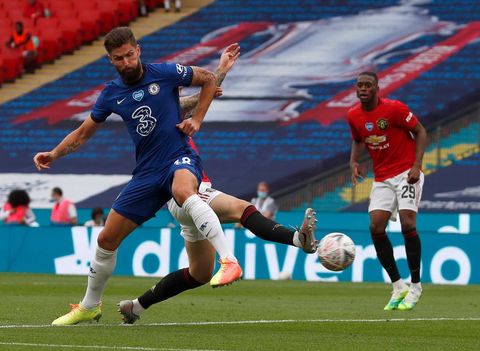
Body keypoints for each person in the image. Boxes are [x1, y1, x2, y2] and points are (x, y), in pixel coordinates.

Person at [33, 27, 241, 326]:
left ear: (138, 51)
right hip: (147, 172)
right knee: (106, 238)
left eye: (130, 55)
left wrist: (197, 119)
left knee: (184, 191)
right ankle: (90, 306)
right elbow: (82, 132)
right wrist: (54, 154)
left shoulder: (166, 73)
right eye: (119, 58)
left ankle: (228, 260)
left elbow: (207, 81)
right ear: (111, 60)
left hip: (179, 158)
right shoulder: (112, 94)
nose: (127, 62)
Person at [117, 44, 318, 324]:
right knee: (241, 208)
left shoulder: (169, 112)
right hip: (186, 190)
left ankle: (136, 307)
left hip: (180, 199)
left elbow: (202, 97)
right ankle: (298, 239)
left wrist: (221, 71)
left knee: (199, 273)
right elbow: (195, 100)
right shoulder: (164, 116)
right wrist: (217, 75)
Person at [347, 71, 427, 311]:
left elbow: (421, 132)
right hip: (382, 178)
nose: (363, 88)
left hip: (406, 172)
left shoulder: (394, 109)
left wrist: (417, 165)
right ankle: (397, 285)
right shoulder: (353, 115)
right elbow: (358, 139)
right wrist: (353, 162)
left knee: (407, 224)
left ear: (376, 88)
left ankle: (415, 285)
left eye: (368, 85)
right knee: (375, 227)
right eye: (359, 85)